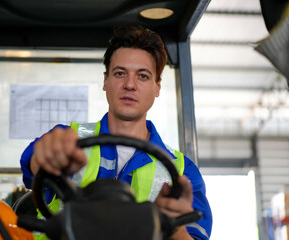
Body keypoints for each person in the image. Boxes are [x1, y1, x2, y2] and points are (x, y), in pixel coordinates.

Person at [20, 25, 212, 240]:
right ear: (106, 80)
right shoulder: (67, 138)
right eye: (120, 73)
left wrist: (175, 228)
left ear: (157, 87)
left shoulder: (183, 172)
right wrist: (48, 159)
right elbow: (36, 163)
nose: (129, 85)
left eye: (143, 76)